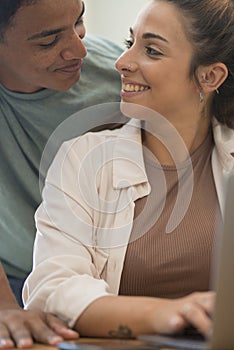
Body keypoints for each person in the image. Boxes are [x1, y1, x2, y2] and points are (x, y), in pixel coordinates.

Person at [23, 0, 234, 340]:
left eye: (151, 50)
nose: (122, 62)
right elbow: (51, 292)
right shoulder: (83, 159)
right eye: (129, 43)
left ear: (210, 76)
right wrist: (169, 314)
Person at [0, 0, 123, 346]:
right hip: (16, 283)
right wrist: (5, 308)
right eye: (48, 41)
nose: (78, 48)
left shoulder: (117, 71)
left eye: (79, 21)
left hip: (110, 272)